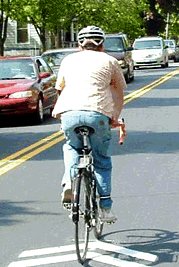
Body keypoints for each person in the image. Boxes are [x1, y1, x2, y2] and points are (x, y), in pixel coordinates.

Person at [52, 25, 126, 223]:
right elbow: (119, 93)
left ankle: (69, 180)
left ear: (79, 45)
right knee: (101, 161)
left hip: (69, 112)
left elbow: (60, 89)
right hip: (98, 113)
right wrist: (115, 117)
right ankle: (105, 208)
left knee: (70, 146)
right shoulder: (110, 61)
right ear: (102, 45)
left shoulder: (68, 60)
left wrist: (65, 113)